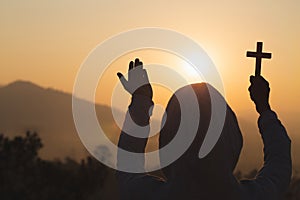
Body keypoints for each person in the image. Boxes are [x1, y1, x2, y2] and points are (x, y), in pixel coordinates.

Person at [116, 58, 292, 200]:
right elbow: (279, 164)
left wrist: (141, 100)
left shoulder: (147, 195)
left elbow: (128, 164)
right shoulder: (254, 196)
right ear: (230, 139)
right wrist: (264, 109)